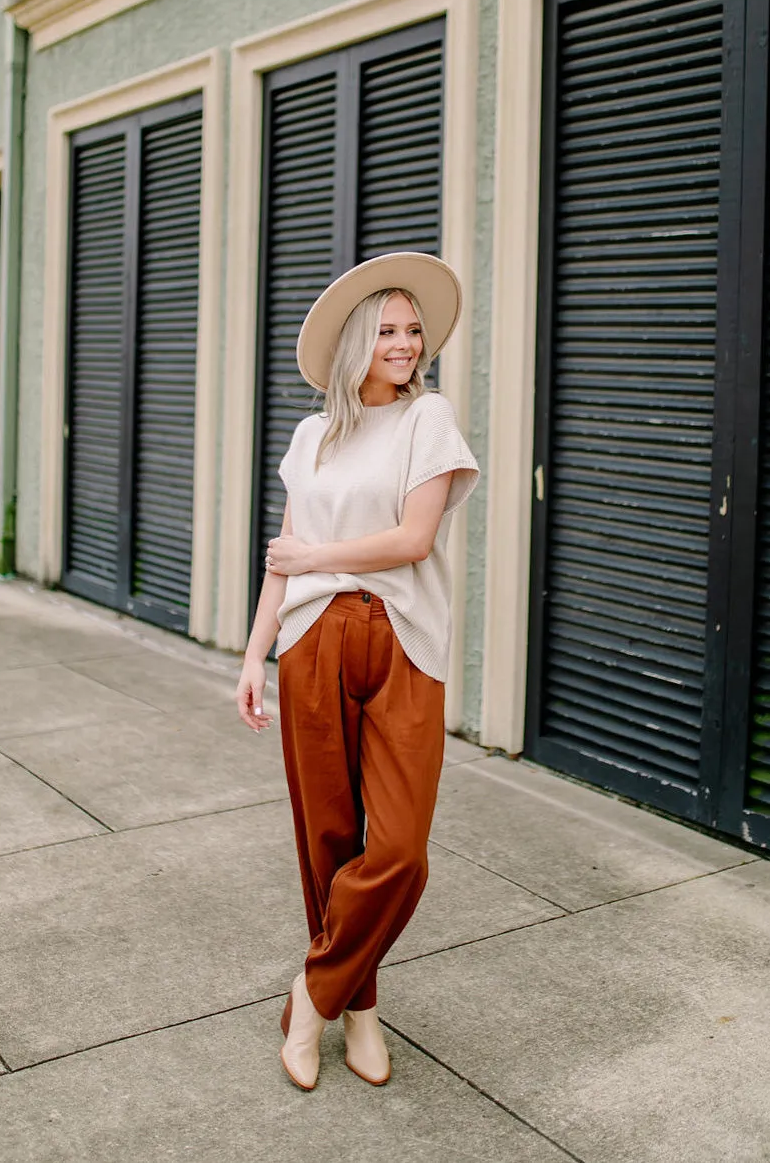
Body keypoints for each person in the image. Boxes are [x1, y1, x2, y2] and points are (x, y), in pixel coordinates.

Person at [236, 251, 479, 1091]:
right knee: (327, 840)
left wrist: (320, 556)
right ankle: (360, 1010)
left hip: (403, 638)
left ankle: (312, 997)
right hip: (311, 638)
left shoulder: (428, 421)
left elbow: (412, 541)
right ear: (354, 342)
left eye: (413, 331)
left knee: (401, 849)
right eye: (387, 331)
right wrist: (253, 652)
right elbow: (282, 554)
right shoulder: (312, 435)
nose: (405, 345)